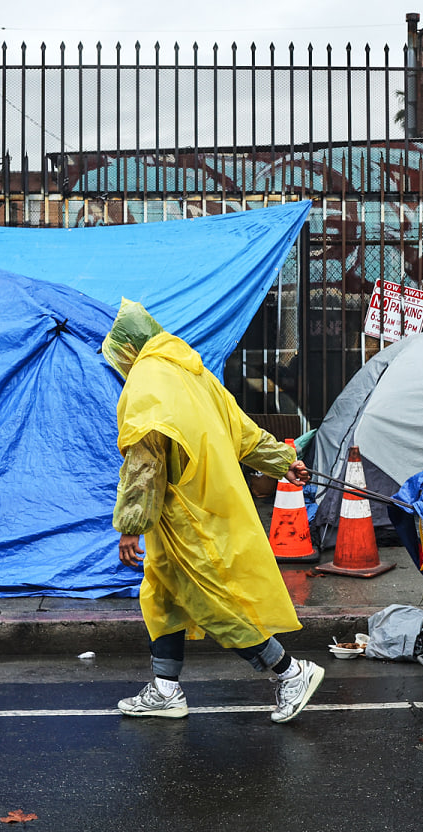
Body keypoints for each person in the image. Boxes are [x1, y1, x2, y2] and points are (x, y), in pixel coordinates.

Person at [102, 299, 322, 724]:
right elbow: (241, 429)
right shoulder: (192, 372)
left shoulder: (145, 383)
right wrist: (282, 460)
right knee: (162, 596)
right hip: (204, 507)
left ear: (128, 348)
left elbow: (145, 464)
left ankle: (290, 672)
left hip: (188, 517)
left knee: (216, 604)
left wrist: (130, 526)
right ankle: (166, 690)